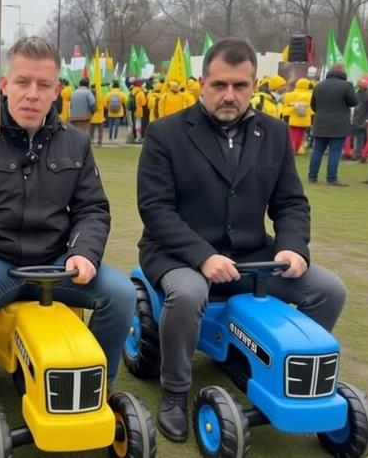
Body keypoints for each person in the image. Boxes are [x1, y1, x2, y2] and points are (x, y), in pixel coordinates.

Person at [0, 36, 135, 458]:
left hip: (57, 261)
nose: (32, 94)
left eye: (43, 84)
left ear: (57, 90)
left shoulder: (75, 142)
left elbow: (92, 209)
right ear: (4, 84)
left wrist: (82, 253)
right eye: (22, 82)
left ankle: (100, 389)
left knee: (121, 293)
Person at [136, 38, 346, 443]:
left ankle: (281, 375)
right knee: (187, 293)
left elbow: (290, 202)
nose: (229, 95)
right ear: (202, 83)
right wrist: (203, 256)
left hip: (254, 255)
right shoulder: (165, 134)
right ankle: (175, 391)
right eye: (219, 85)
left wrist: (292, 246)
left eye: (239, 86)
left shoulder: (275, 132)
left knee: (328, 289)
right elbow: (156, 209)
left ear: (254, 85)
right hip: (178, 253)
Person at [308, 62, 357, 186]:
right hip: (338, 125)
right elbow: (354, 102)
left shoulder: (319, 85)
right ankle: (332, 178)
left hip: (320, 123)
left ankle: (312, 176)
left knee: (317, 151)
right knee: (335, 152)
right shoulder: (347, 85)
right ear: (343, 72)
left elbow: (313, 105)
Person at [281, 77, 314, 154]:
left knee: (292, 135)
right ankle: (295, 149)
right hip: (305, 119)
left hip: (292, 118)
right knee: (300, 135)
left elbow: (285, 107)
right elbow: (312, 109)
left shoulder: (288, 95)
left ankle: (292, 150)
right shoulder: (310, 96)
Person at [345, 76, 368, 160]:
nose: (361, 84)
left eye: (363, 83)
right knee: (355, 136)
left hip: (361, 118)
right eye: (360, 83)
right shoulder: (357, 93)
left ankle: (357, 154)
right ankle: (354, 153)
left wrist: (367, 120)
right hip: (355, 117)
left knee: (359, 137)